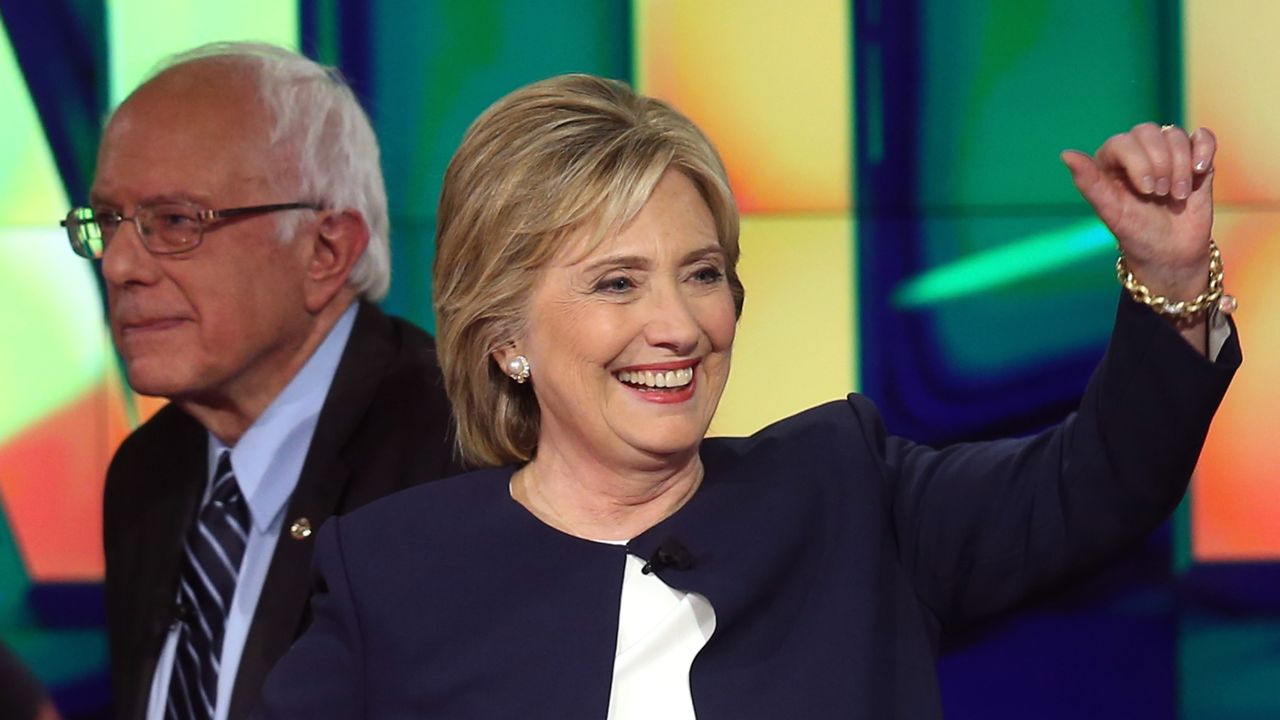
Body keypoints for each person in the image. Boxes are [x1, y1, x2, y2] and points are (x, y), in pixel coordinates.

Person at [255, 75, 1239, 718]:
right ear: (504, 336)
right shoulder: (392, 572)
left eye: (700, 272)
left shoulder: (847, 493)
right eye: (615, 282)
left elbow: (1100, 481)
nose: (678, 325)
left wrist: (1167, 277)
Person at [62, 43, 460, 720]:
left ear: (326, 251)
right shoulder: (145, 474)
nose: (120, 264)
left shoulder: (456, 465)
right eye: (107, 222)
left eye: (176, 222)